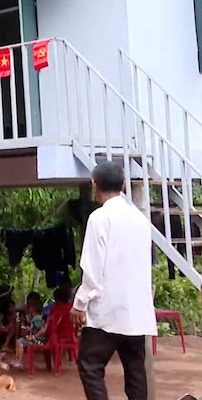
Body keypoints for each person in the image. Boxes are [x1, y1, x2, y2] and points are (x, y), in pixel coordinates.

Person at [73, 161, 156, 400]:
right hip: (136, 313)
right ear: (122, 186)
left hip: (107, 311)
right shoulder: (140, 220)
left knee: (90, 366)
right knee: (135, 371)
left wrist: (79, 304)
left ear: (94, 184)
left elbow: (92, 270)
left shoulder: (99, 218)